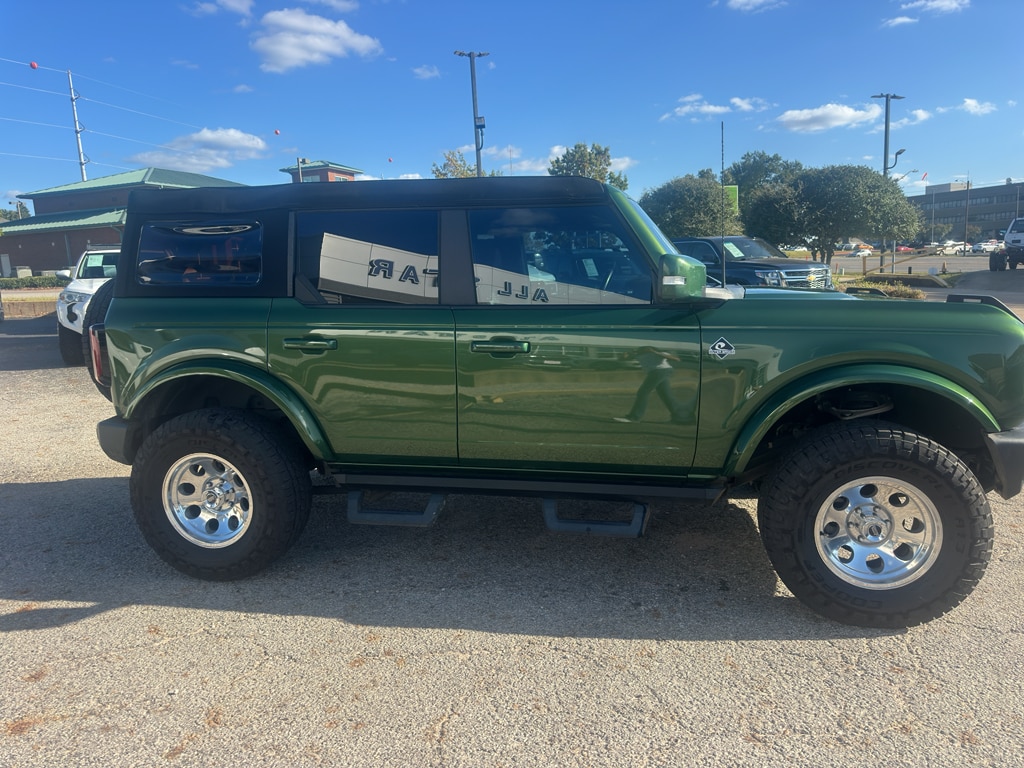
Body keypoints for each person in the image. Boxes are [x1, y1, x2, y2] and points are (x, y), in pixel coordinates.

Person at [614, 346, 694, 424]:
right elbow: (621, 359)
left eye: (641, 348)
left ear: (648, 349)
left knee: (643, 392)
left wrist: (654, 352)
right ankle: (680, 418)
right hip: (657, 372)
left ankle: (634, 417)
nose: (639, 349)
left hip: (660, 371)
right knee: (665, 395)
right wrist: (624, 355)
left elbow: (676, 359)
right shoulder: (638, 355)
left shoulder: (658, 353)